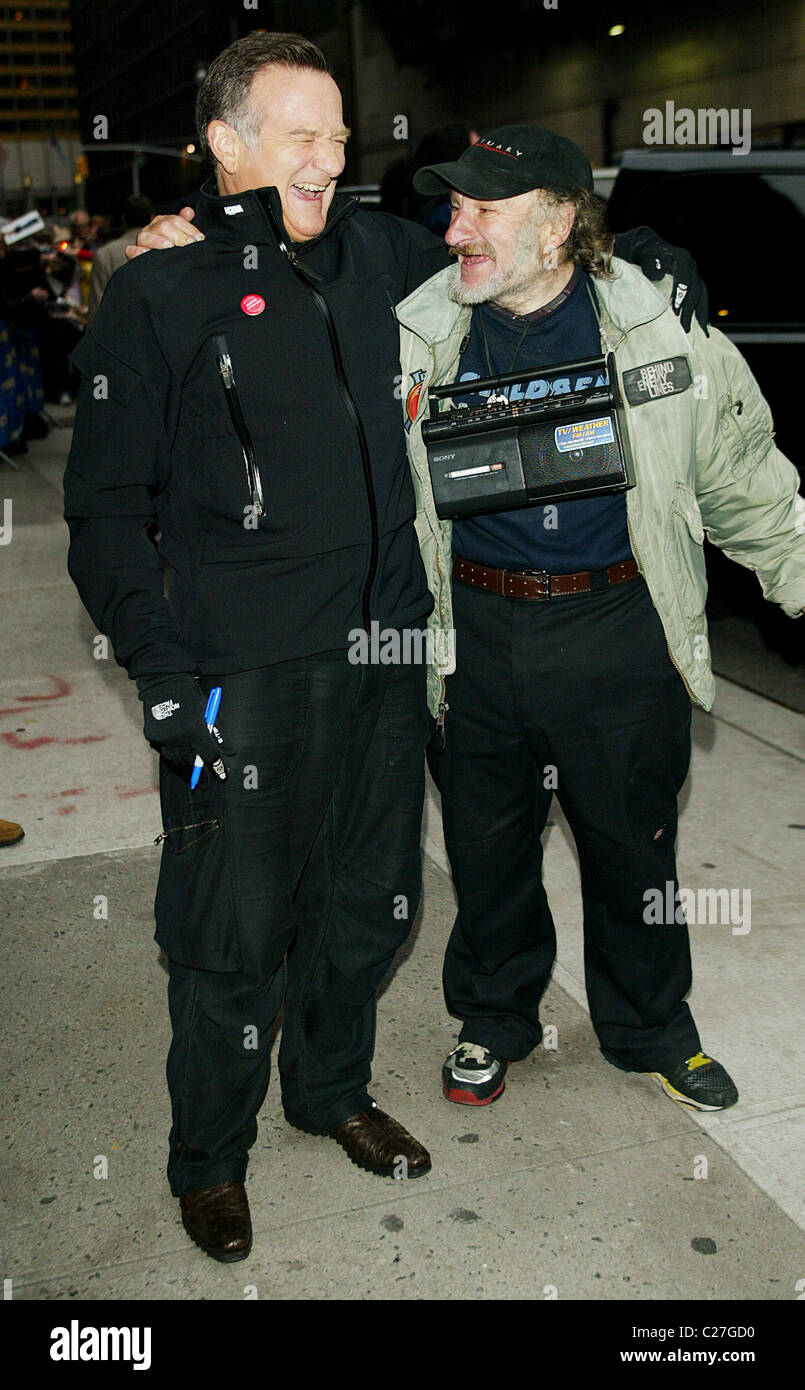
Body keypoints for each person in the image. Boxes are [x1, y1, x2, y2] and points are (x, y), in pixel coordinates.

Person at [72, 33, 707, 1265]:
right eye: (298, 133)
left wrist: (640, 253)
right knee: (228, 928)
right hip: (235, 673)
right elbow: (101, 510)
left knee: (370, 905)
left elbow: (522, 251)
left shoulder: (387, 259)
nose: (328, 158)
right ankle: (207, 1156)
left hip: (383, 655)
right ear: (224, 144)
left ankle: (326, 1091)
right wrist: (158, 665)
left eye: (337, 133)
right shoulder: (159, 292)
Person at [394, 125, 805, 1114]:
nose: (456, 230)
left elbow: (750, 492)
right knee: (488, 861)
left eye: (482, 208)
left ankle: (651, 1027)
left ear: (562, 221)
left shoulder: (664, 329)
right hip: (477, 643)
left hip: (621, 634)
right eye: (452, 207)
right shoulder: (415, 331)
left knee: (635, 855)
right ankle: (493, 1016)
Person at [87, 194, 154, 323]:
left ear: (124, 219)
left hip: (117, 333)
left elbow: (97, 307)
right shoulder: (166, 249)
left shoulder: (105, 254)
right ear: (151, 218)